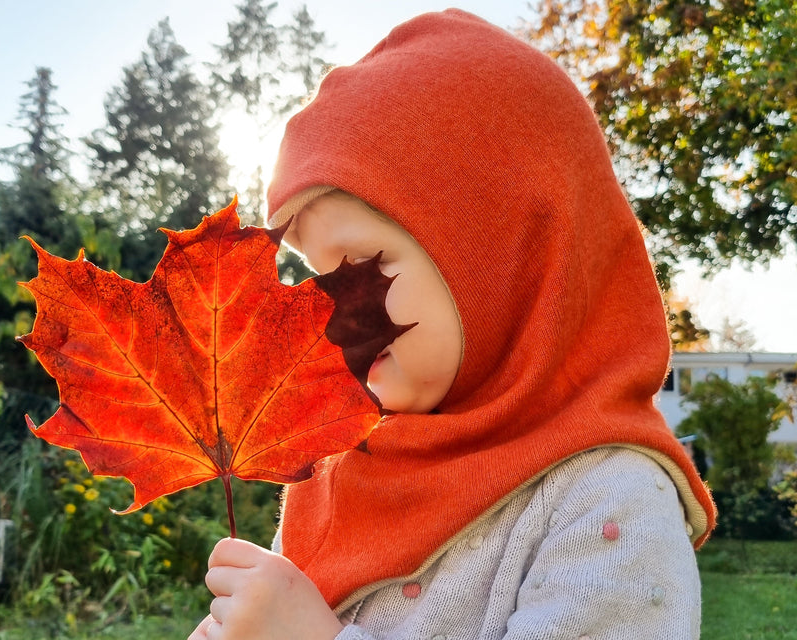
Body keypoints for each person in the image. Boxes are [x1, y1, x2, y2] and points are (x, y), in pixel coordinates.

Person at [189, 9, 716, 640]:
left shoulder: (611, 502)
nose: (327, 312)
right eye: (314, 277)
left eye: (361, 267)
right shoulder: (337, 478)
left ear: (506, 257)